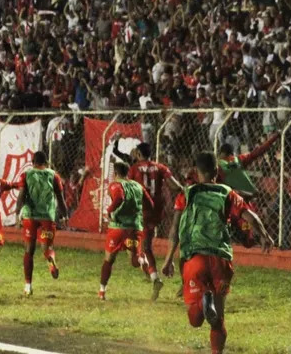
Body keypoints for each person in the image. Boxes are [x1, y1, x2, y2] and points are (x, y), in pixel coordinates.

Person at [162, 152, 272, 354]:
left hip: (195, 259)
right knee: (218, 320)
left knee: (195, 320)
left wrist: (168, 259)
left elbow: (175, 229)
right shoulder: (227, 192)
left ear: (196, 172)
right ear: (216, 171)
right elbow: (250, 216)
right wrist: (265, 235)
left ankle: (204, 300)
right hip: (221, 260)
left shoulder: (186, 194)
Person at [111, 135, 184, 285]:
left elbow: (127, 188)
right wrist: (185, 192)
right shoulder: (161, 167)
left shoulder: (133, 168)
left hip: (139, 211)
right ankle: (150, 270)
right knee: (144, 243)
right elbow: (175, 185)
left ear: (138, 153)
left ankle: (151, 272)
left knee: (138, 246)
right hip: (156, 210)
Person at [100, 160, 157, 301]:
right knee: (134, 260)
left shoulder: (115, 184)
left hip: (118, 228)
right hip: (135, 228)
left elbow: (119, 197)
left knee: (109, 260)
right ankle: (142, 260)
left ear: (116, 174)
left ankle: (102, 291)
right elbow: (150, 204)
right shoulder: (138, 186)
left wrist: (109, 211)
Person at [16, 151, 67, 296]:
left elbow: (21, 195)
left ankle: (27, 286)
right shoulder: (54, 175)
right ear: (46, 162)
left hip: (30, 216)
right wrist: (64, 215)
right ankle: (50, 258)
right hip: (47, 215)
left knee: (29, 250)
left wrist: (16, 213)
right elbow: (60, 198)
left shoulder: (26, 174)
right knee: (47, 246)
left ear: (33, 161)